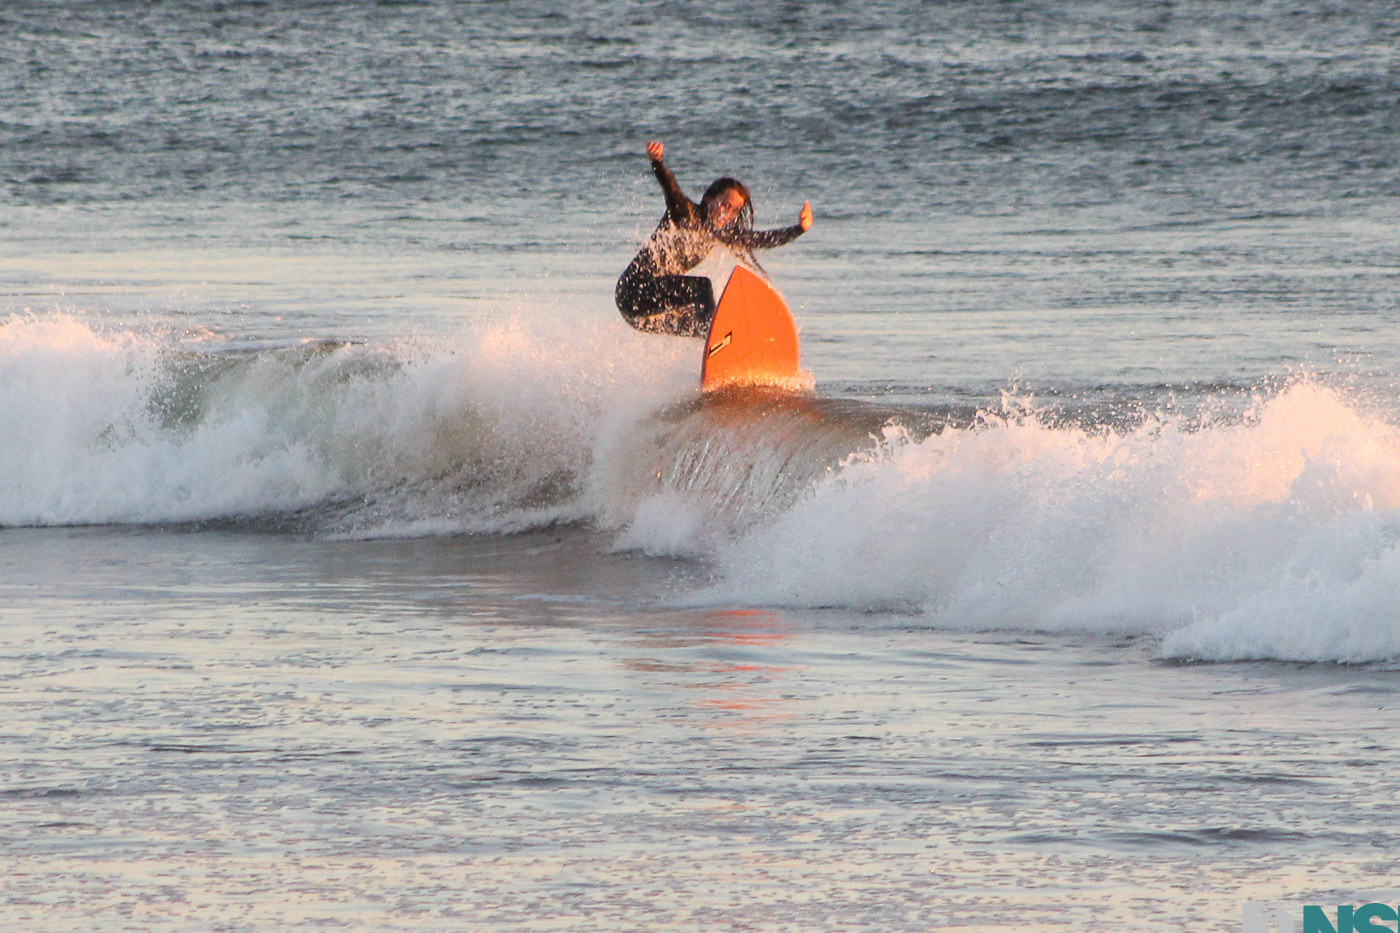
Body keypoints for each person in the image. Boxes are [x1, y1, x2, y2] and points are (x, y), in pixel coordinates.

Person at [615, 140, 813, 337]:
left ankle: (727, 356)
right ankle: (715, 337)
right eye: (725, 204)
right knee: (703, 288)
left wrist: (799, 229)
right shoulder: (684, 212)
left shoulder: (721, 233)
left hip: (642, 314)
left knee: (709, 322)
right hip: (632, 291)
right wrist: (657, 162)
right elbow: (670, 186)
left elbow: (761, 239)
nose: (727, 213)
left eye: (735, 210)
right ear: (710, 198)